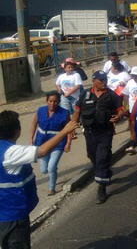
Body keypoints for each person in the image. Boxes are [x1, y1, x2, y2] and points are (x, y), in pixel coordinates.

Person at [0, 111, 77, 248]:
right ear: (18, 131)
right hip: (14, 216)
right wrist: (65, 131)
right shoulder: (11, 152)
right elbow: (42, 151)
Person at [72, 70, 124, 204]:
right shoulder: (85, 94)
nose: (104, 83)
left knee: (102, 156)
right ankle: (105, 173)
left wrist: (118, 117)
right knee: (92, 156)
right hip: (89, 132)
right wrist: (72, 126)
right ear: (94, 81)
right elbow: (77, 110)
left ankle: (101, 188)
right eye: (101, 81)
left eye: (105, 80)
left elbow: (121, 110)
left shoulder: (111, 95)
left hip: (105, 132)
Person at [29, 92, 73, 195]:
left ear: (58, 102)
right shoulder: (40, 111)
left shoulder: (64, 113)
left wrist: (68, 143)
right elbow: (33, 125)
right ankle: (53, 171)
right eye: (50, 101)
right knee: (44, 170)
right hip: (41, 143)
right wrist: (31, 139)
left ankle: (51, 188)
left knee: (51, 167)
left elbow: (69, 129)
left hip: (58, 144)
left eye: (55, 101)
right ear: (47, 101)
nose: (52, 104)